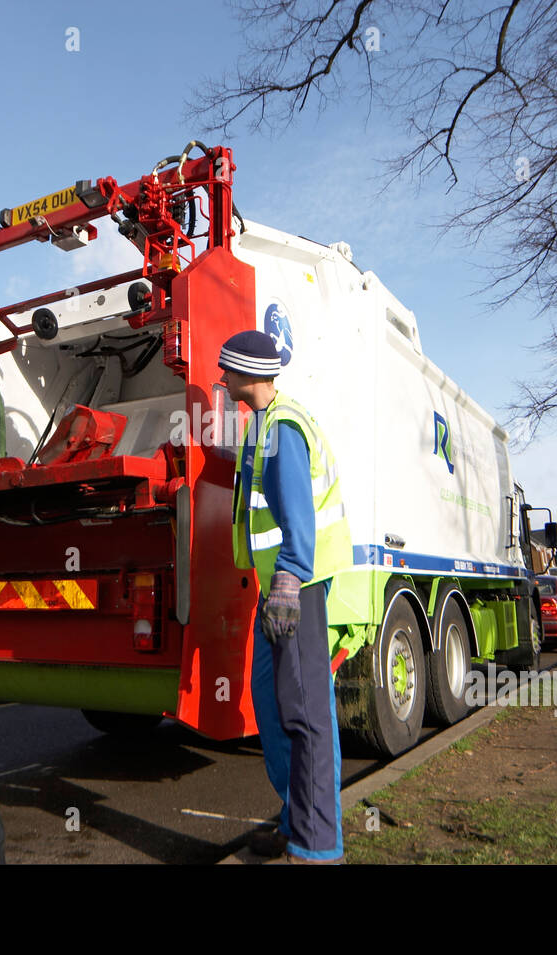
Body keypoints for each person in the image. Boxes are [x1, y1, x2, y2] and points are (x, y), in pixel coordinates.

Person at [218, 329, 352, 864]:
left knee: (304, 714)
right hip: (276, 594)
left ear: (247, 372)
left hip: (295, 592)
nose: (221, 379)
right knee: (274, 707)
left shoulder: (284, 427)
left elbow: (298, 512)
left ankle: (317, 846)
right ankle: (295, 819)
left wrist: (290, 579)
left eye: (226, 369)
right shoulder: (262, 426)